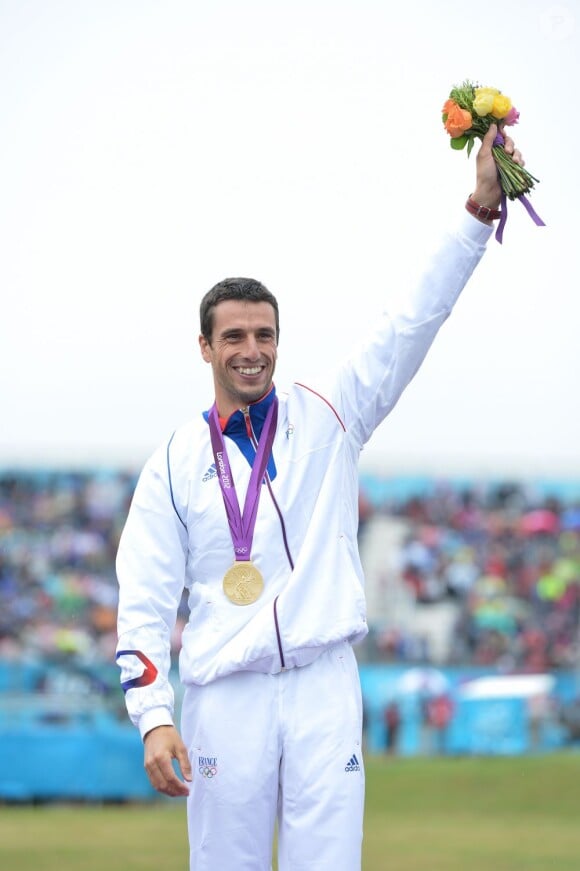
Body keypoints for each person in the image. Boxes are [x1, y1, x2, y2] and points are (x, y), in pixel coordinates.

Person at [115, 123, 523, 870]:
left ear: (279, 339)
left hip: (322, 686)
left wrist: (475, 212)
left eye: (264, 333)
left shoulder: (332, 415)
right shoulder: (172, 464)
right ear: (205, 346)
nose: (251, 349)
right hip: (224, 695)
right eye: (233, 335)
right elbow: (142, 600)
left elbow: (409, 324)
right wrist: (152, 716)